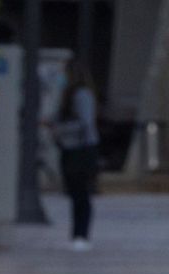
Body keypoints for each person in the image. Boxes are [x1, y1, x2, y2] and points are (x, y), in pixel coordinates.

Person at [53, 60, 101, 250]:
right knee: (75, 194)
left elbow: (85, 123)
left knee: (81, 194)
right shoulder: (68, 95)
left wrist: (61, 130)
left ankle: (82, 234)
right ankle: (76, 234)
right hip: (70, 149)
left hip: (81, 150)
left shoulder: (82, 95)